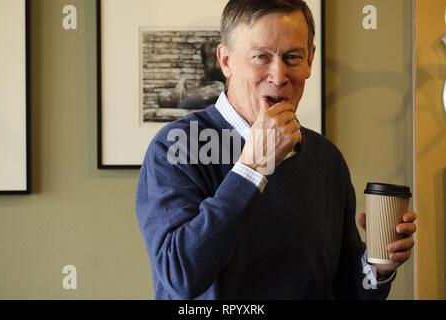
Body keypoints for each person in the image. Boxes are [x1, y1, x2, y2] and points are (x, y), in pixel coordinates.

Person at [136, 0, 416, 300]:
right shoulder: (176, 146)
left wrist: (377, 268)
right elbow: (179, 276)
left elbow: (345, 289)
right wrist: (253, 166)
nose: (279, 75)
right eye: (261, 57)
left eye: (292, 57)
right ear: (226, 61)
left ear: (310, 61)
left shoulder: (326, 158)